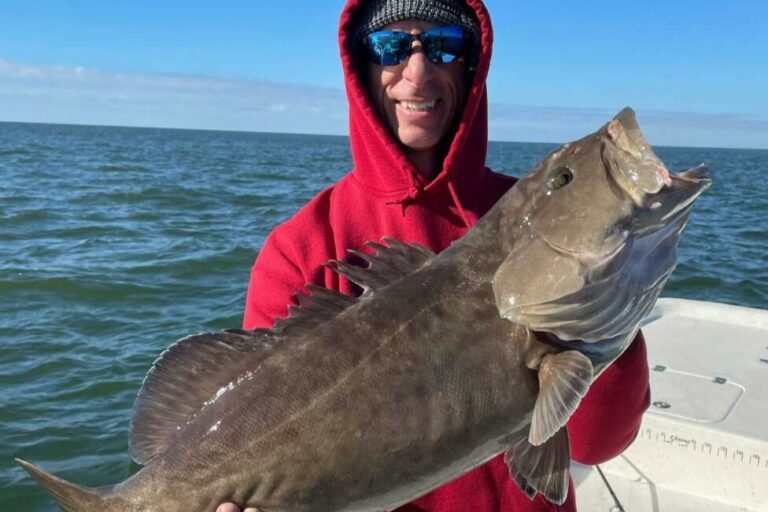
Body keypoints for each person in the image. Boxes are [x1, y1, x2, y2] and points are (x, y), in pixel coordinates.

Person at [218, 0, 650, 511]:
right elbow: (245, 424)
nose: (417, 73)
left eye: (444, 45)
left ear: (471, 67)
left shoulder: (532, 214)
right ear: (362, 66)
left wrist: (605, 304)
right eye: (391, 47)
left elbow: (600, 441)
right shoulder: (301, 248)